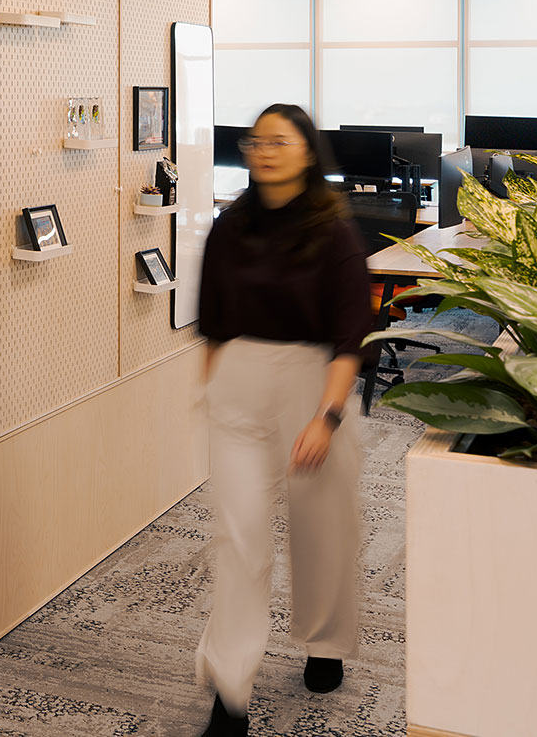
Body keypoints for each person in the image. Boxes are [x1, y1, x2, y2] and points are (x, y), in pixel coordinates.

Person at [192, 103, 373, 737]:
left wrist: (328, 416)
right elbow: (213, 321)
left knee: (322, 527)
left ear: (307, 152)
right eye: (256, 141)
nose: (264, 151)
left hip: (312, 381)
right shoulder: (230, 226)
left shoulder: (334, 231)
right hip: (239, 385)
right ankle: (230, 688)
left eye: (280, 141)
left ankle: (324, 642)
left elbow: (351, 336)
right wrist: (210, 391)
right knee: (239, 536)